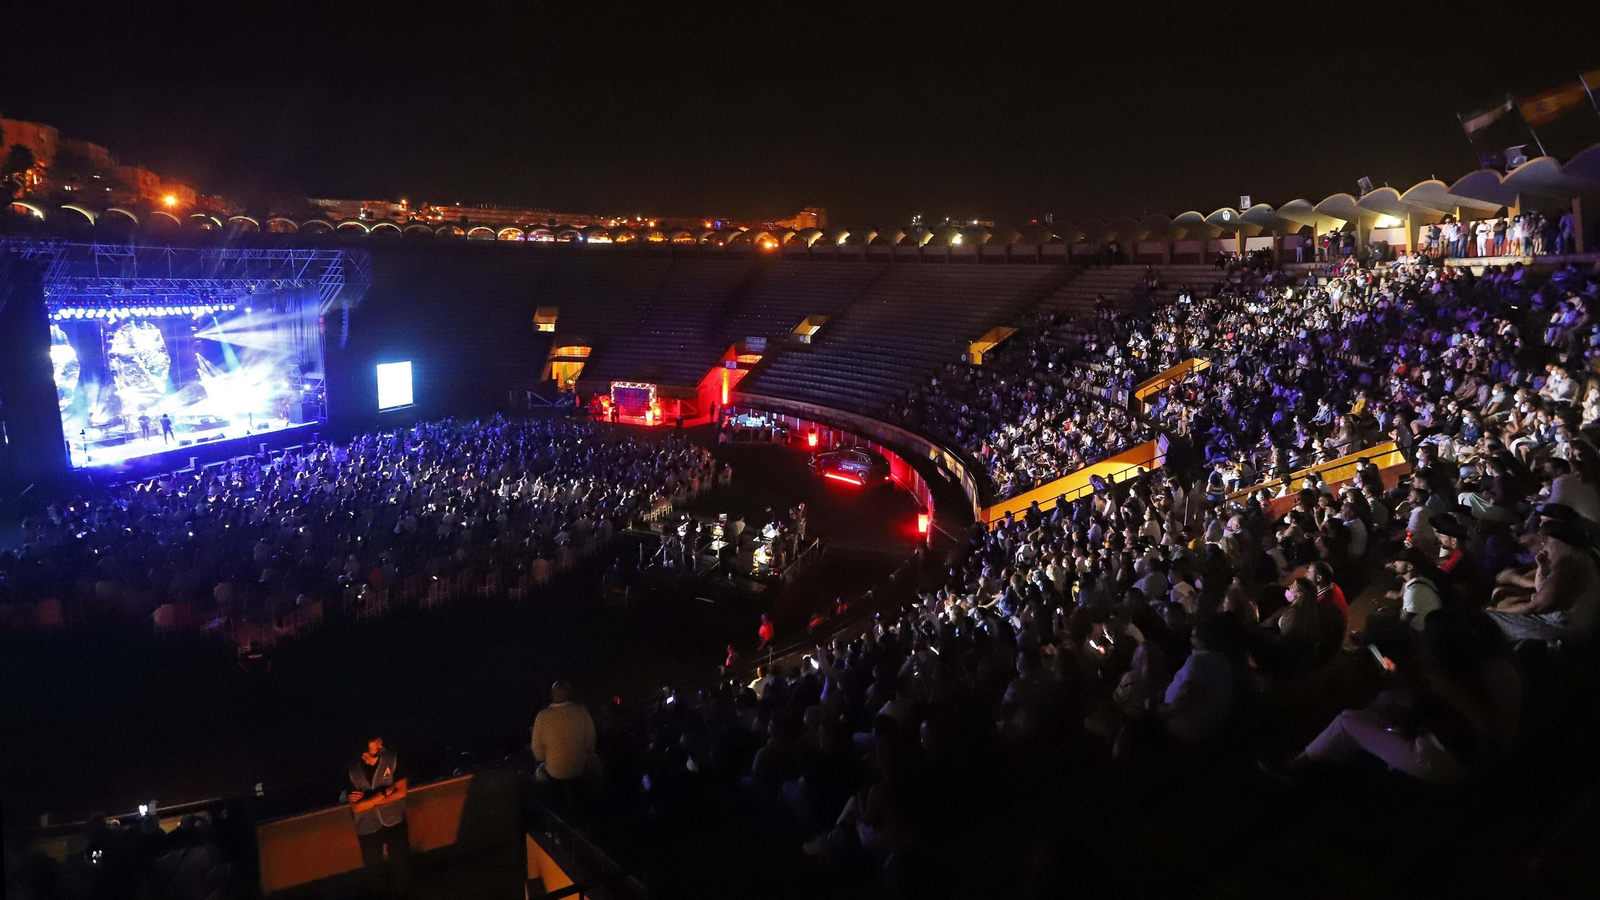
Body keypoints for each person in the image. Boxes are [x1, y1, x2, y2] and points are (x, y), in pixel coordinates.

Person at [346, 734, 411, 899]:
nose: (380, 743)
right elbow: (356, 808)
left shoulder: (393, 759)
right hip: (367, 827)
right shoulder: (352, 769)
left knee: (401, 866)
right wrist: (383, 793)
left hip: (395, 820)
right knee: (374, 871)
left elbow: (401, 792)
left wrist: (368, 801)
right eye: (375, 741)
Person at [531, 680, 597, 786]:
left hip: (553, 772)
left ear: (552, 695)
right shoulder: (581, 711)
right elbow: (590, 743)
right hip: (579, 769)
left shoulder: (542, 717)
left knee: (538, 776)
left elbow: (537, 753)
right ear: (568, 693)